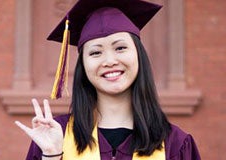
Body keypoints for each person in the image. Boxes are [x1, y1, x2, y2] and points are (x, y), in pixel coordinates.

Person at [15, 0, 201, 159]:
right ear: (83, 66)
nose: (110, 61)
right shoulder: (55, 135)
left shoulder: (175, 144)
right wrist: (51, 156)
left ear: (139, 56)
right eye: (96, 52)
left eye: (120, 48)